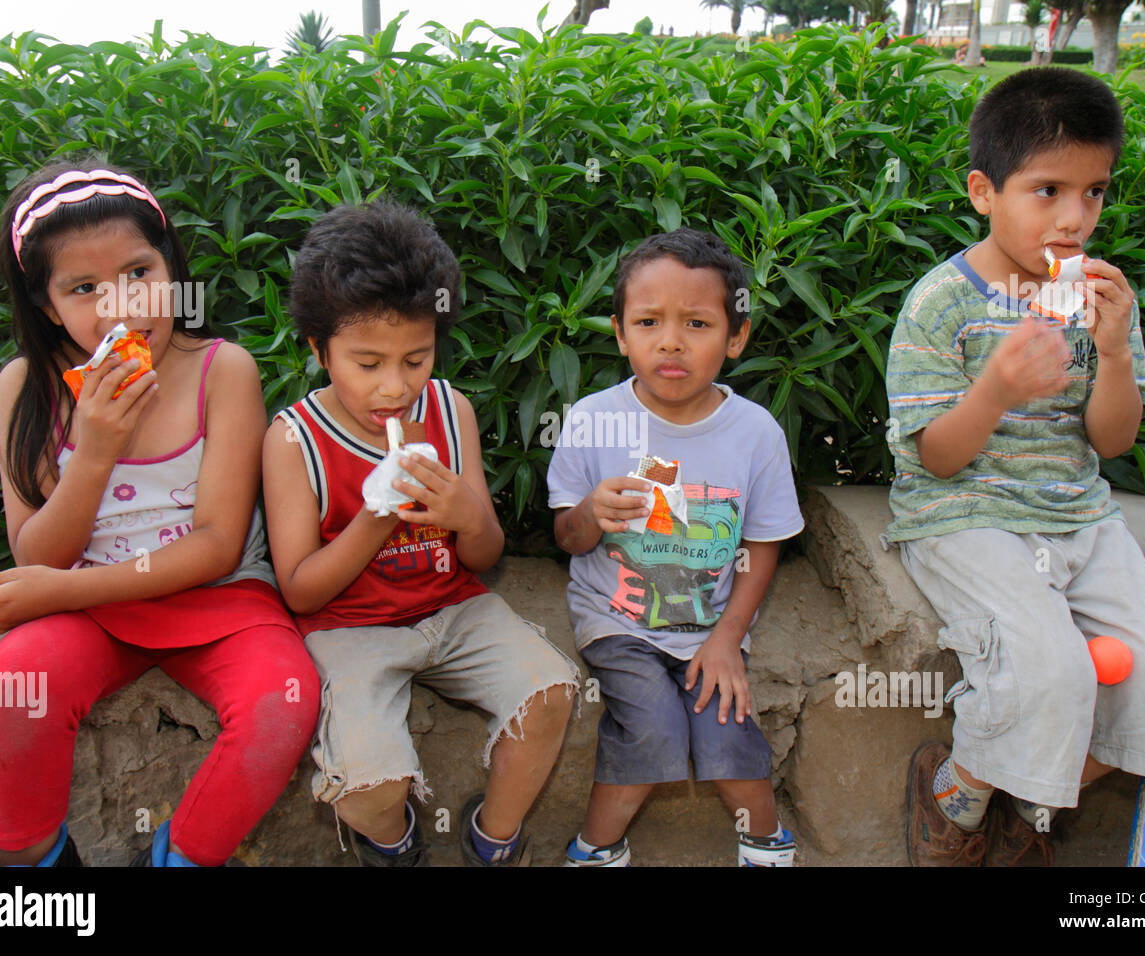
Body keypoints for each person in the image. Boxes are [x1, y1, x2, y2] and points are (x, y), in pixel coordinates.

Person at [0, 161, 319, 867]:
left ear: (172, 266)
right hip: (91, 613)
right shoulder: (25, 385)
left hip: (217, 598)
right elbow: (39, 558)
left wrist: (64, 591)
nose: (120, 305)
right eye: (84, 289)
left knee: (284, 698)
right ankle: (32, 871)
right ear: (49, 305)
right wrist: (94, 453)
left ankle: (181, 854)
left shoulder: (223, 368)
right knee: (16, 681)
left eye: (139, 272)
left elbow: (215, 544)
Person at [884, 67, 1145, 866]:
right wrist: (994, 388)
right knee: (1049, 666)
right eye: (1048, 191)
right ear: (984, 191)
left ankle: (1029, 805)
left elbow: (1113, 442)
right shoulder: (942, 303)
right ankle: (956, 794)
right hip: (964, 516)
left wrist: (1111, 351)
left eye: (1094, 192)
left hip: (1076, 512)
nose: (1074, 218)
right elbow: (937, 456)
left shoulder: (1100, 297)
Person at [262, 201, 577, 867]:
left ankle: (494, 837)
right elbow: (300, 592)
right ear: (319, 350)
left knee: (550, 691)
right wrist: (379, 513)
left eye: (417, 357)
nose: (396, 386)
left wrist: (467, 515)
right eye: (367, 362)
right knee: (370, 783)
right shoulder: (294, 441)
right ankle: (394, 841)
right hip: (351, 631)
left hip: (454, 606)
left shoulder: (448, 408)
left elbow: (484, 556)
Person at [547, 227, 802, 866]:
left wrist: (727, 638)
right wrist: (591, 512)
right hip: (616, 618)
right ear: (620, 332)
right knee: (653, 726)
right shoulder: (592, 420)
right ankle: (595, 849)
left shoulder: (754, 433)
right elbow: (566, 538)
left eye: (696, 322)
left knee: (729, 728)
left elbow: (762, 544)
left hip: (708, 623)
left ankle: (766, 843)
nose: (670, 340)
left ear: (736, 337)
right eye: (649, 321)